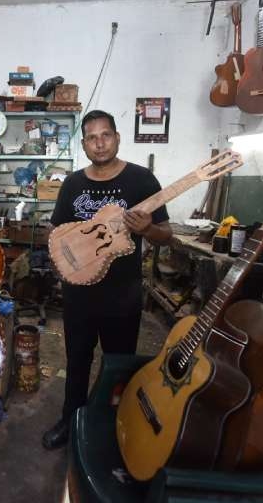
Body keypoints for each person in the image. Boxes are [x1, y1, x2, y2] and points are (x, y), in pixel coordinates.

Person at [42, 110, 172, 449]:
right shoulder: (73, 184)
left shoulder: (142, 181)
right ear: (84, 144)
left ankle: (116, 427)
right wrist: (60, 257)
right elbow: (58, 231)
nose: (99, 143)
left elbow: (166, 235)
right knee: (78, 362)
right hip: (79, 295)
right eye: (92, 137)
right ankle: (70, 422)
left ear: (116, 137)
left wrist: (149, 229)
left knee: (119, 367)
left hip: (123, 295)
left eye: (106, 135)